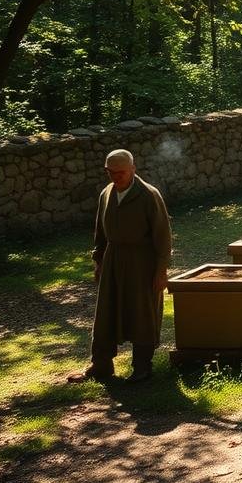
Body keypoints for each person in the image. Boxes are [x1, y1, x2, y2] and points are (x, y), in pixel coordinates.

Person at [69, 149, 171, 383]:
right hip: (113, 258)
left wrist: (161, 271)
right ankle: (101, 364)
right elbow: (100, 231)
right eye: (111, 173)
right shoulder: (107, 193)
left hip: (141, 261)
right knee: (106, 312)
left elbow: (163, 237)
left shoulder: (148, 195)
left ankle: (142, 367)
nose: (116, 177)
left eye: (121, 173)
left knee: (141, 313)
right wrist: (99, 261)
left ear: (133, 169)